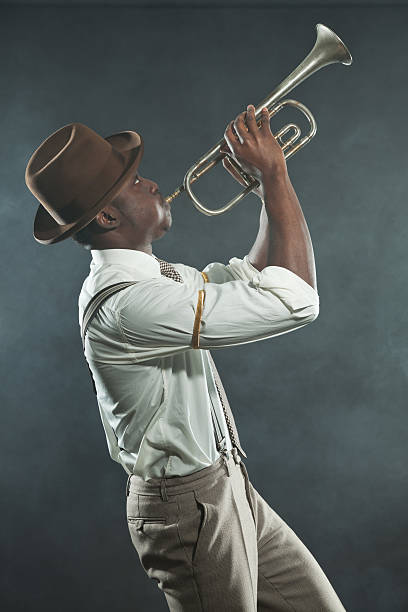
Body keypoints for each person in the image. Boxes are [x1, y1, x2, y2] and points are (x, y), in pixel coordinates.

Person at [25, 106, 346, 611]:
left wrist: (267, 194)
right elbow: (299, 300)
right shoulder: (130, 302)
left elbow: (249, 278)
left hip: (227, 483)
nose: (153, 185)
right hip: (187, 506)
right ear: (108, 217)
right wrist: (276, 173)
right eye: (136, 183)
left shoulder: (155, 277)